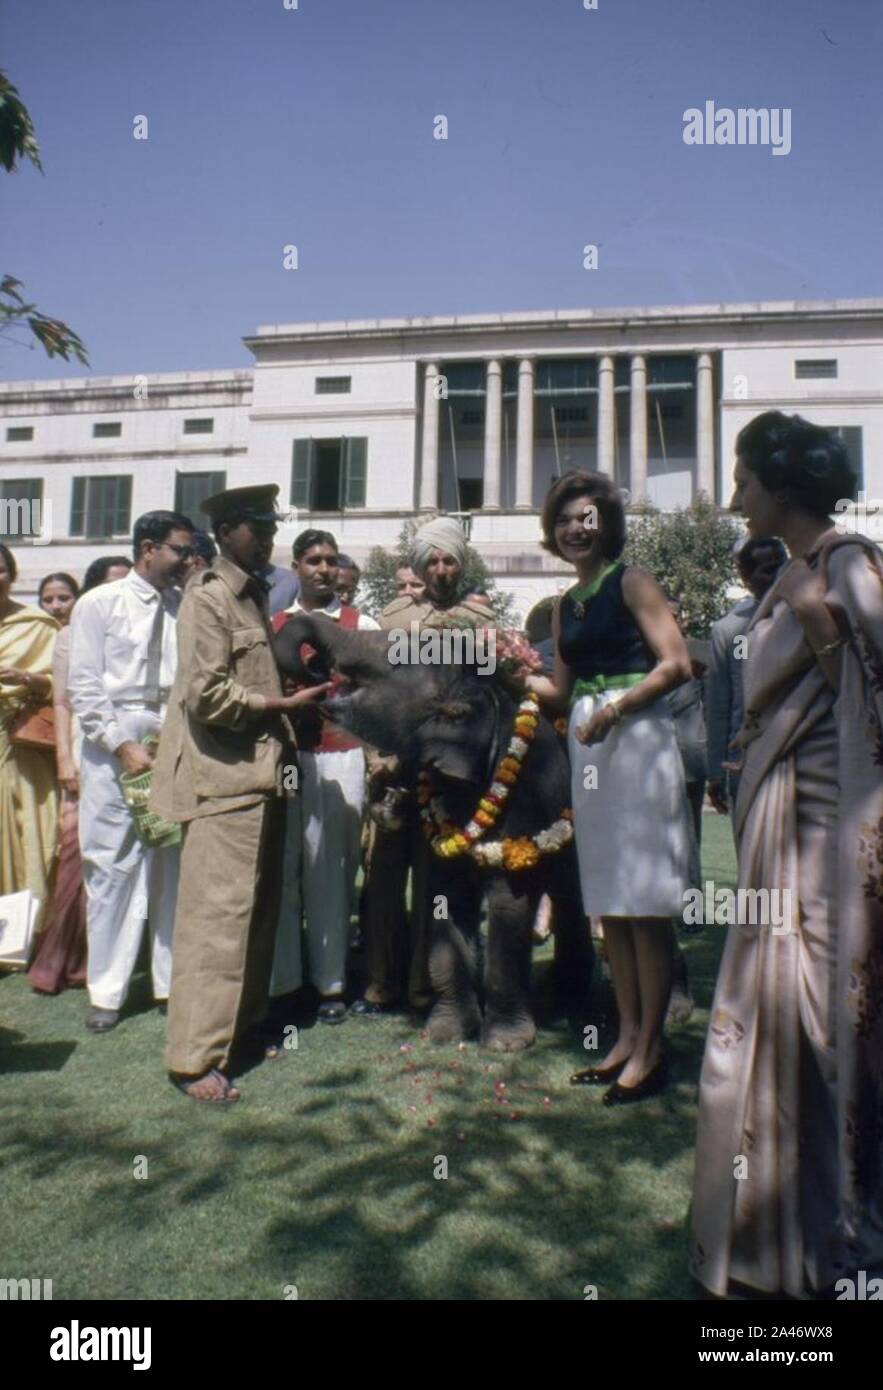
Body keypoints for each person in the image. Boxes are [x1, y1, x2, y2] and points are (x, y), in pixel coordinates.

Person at [691, 412, 883, 1298]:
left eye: (742, 478)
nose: (733, 496)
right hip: (772, 830)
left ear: (779, 485)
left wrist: (825, 635)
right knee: (762, 1012)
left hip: (822, 834)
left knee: (820, 1015)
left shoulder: (845, 561)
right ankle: (774, 1230)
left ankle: (841, 1232)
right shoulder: (791, 575)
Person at [150, 485, 329, 1102]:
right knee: (215, 922)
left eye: (271, 524)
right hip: (225, 782)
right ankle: (194, 1058)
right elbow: (207, 696)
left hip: (262, 779)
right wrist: (278, 703)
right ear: (224, 531)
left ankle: (240, 1035)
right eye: (256, 525)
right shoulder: (208, 600)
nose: (269, 534)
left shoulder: (252, 596)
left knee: (256, 917)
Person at [528, 472, 692, 1104]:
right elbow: (559, 692)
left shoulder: (633, 581)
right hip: (589, 744)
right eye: (565, 518)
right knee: (612, 904)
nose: (576, 528)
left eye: (587, 517)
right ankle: (625, 1038)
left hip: (637, 740)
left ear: (607, 525)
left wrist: (617, 710)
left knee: (644, 906)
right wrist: (512, 668)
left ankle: (651, 1052)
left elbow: (675, 663)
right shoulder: (565, 607)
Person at [353, 516, 493, 1016]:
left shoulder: (479, 625)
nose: (439, 568)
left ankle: (425, 987)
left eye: (448, 559)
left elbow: (485, 699)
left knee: (438, 884)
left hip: (450, 773)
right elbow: (372, 695)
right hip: (396, 771)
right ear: (419, 565)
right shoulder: (392, 620)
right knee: (385, 882)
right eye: (430, 559)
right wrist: (377, 758)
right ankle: (379, 984)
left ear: (460, 563)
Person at [68, 510, 195, 1032]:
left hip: (172, 731)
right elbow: (84, 683)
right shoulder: (100, 603)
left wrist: (177, 739)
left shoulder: (185, 607)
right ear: (148, 548)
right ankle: (108, 989)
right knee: (112, 864)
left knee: (172, 862)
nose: (186, 560)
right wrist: (120, 743)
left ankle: (168, 982)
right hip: (113, 738)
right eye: (178, 550)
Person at [271, 529, 379, 1024]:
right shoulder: (273, 625)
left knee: (333, 870)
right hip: (288, 761)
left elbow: (381, 695)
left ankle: (331, 982)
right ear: (295, 566)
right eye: (312, 560)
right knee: (287, 864)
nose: (322, 568)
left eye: (330, 561)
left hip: (341, 757)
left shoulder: (362, 623)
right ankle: (285, 982)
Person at [28, 558, 133, 994]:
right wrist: (65, 762)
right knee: (77, 852)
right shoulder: (71, 635)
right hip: (83, 751)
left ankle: (113, 955)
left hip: (130, 753)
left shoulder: (134, 634)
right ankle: (62, 959)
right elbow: (63, 703)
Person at [705, 536, 787, 817]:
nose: (777, 576)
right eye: (767, 570)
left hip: (797, 754)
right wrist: (715, 771)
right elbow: (718, 704)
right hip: (745, 760)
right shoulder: (730, 630)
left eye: (781, 565)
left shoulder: (806, 616)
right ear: (746, 577)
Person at [0, 543, 59, 932]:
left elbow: (67, 685)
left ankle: (16, 935)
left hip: (16, 742)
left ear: (13, 574)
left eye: (0, 569)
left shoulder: (36, 625)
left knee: (22, 835)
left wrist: (26, 678)